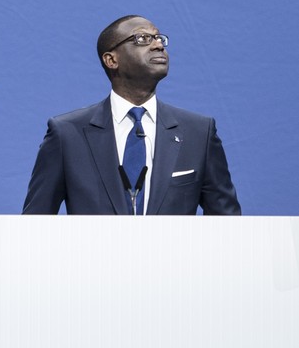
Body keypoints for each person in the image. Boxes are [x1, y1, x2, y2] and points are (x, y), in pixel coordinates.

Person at [22, 14, 240, 215]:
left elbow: (229, 227)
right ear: (111, 60)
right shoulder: (68, 134)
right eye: (143, 38)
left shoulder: (198, 133)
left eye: (159, 39)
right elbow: (35, 223)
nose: (158, 45)